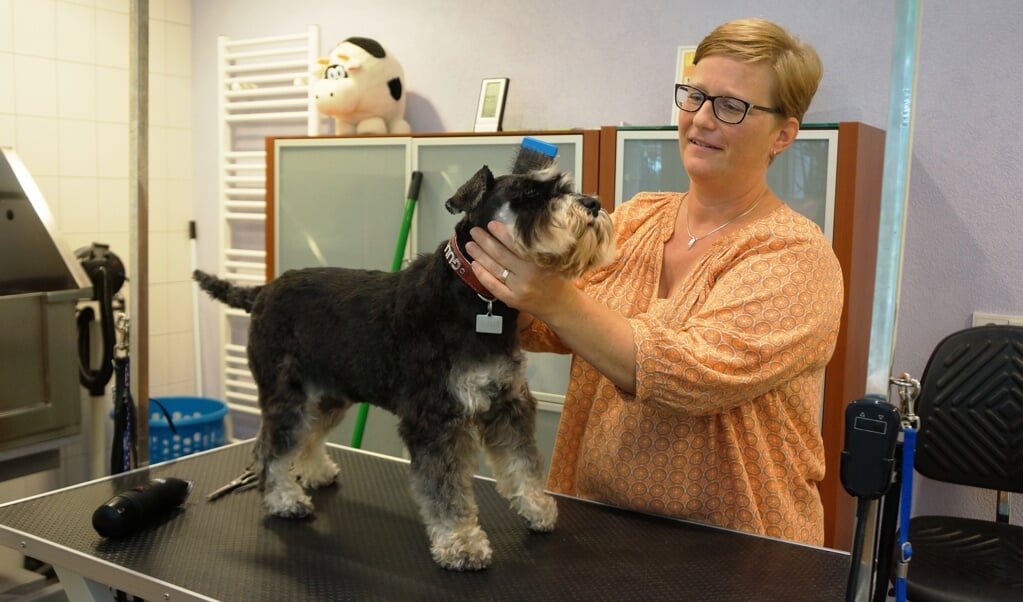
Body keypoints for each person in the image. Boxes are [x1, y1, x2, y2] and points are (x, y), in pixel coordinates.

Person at [466, 17, 842, 546]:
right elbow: (545, 328)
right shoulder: (640, 218)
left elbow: (692, 373)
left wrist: (551, 296)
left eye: (730, 106)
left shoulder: (795, 254)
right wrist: (496, 271)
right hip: (597, 521)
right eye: (694, 96)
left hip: (739, 546)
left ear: (783, 133)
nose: (701, 121)